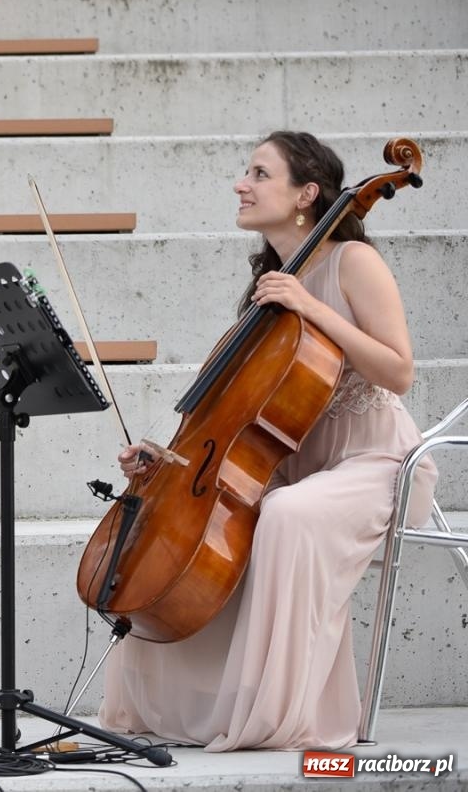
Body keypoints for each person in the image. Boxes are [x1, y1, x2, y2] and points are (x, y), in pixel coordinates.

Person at [98, 131, 437, 751]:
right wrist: (167, 461)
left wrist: (312, 307)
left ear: (307, 194)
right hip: (293, 462)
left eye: (259, 173)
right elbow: (238, 416)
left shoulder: (351, 263)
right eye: (245, 172)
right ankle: (188, 711)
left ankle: (279, 715)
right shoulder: (272, 284)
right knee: (190, 527)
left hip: (375, 463)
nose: (241, 184)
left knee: (285, 513)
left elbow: (399, 371)